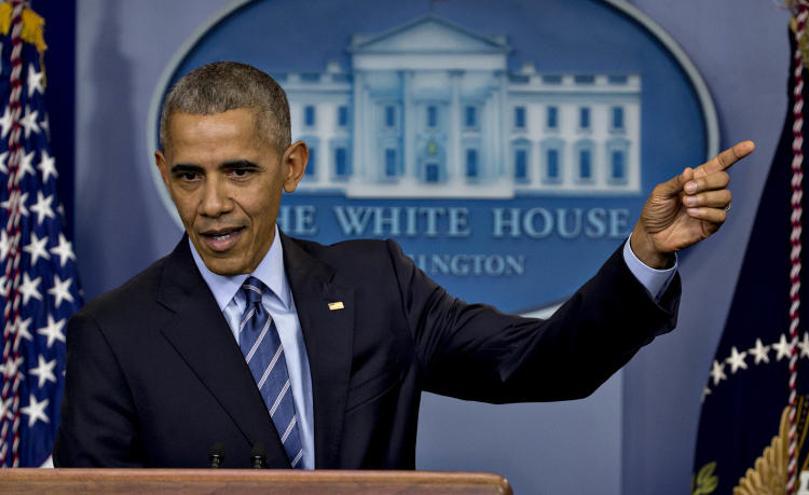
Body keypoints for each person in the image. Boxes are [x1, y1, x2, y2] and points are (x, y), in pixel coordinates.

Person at [53, 61, 753, 469]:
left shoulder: (374, 284)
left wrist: (647, 255)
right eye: (188, 175)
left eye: (239, 171)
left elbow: (543, 361)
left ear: (291, 167)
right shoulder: (114, 333)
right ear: (161, 171)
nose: (212, 203)